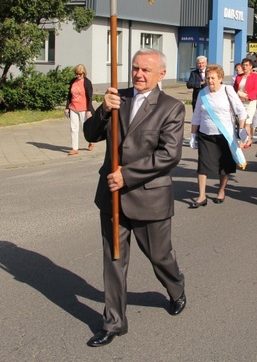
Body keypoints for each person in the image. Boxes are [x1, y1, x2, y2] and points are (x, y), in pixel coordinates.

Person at [83, 49, 187, 347]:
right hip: (112, 197)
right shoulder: (118, 97)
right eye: (135, 68)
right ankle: (114, 322)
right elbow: (91, 134)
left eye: (145, 70)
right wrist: (102, 110)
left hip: (149, 197)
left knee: (159, 256)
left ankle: (176, 287)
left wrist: (127, 175)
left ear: (161, 75)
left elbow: (169, 155)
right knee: (114, 259)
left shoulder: (172, 107)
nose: (138, 74)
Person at [188, 64, 247, 207]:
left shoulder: (227, 90)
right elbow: (196, 116)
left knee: (224, 166)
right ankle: (201, 196)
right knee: (202, 165)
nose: (210, 81)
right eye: (208, 78)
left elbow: (241, 111)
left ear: (220, 78)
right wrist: (193, 135)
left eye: (213, 78)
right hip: (205, 135)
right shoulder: (203, 94)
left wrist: (242, 129)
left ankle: (221, 191)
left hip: (224, 135)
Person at [65, 64, 95, 155]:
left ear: (84, 73)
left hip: (84, 108)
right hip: (73, 107)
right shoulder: (73, 82)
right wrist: (67, 107)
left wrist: (89, 109)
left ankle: (91, 141)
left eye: (80, 74)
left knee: (84, 128)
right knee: (73, 128)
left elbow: (89, 97)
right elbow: (69, 96)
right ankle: (75, 148)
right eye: (77, 74)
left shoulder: (87, 82)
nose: (78, 76)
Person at [233, 58, 257, 148]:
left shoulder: (255, 76)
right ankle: (248, 139)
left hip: (250, 102)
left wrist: (247, 97)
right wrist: (237, 96)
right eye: (243, 65)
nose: (244, 67)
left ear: (251, 67)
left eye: (247, 65)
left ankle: (243, 140)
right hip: (240, 102)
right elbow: (235, 89)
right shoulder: (238, 77)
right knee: (242, 121)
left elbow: (256, 90)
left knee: (247, 122)